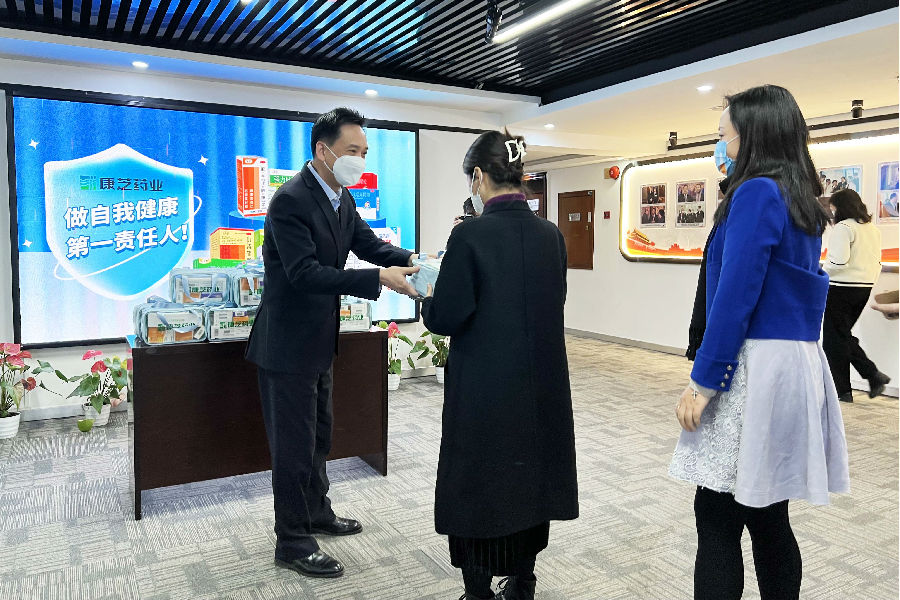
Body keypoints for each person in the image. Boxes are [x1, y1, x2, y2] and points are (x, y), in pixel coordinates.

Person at [669, 85, 849, 600]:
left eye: (723, 135)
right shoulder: (800, 198)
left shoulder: (756, 192)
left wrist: (703, 382)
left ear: (752, 136)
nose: (719, 145)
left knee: (716, 515)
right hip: (793, 362)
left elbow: (735, 296)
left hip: (751, 366)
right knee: (769, 512)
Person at [245, 107, 419, 579]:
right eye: (352, 151)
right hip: (286, 347)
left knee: (319, 436)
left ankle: (317, 512)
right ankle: (292, 541)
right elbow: (304, 274)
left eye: (364, 152)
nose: (360, 160)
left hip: (320, 342)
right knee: (293, 447)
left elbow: (370, 245)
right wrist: (377, 278)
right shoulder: (290, 200)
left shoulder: (342, 198)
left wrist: (416, 260)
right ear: (323, 150)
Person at [421, 130, 578, 600]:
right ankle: (523, 581)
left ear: (478, 177)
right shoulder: (551, 235)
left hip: (485, 386)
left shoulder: (469, 235)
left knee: (478, 482)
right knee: (530, 479)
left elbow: (447, 316)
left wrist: (425, 295)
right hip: (541, 382)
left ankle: (478, 590)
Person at [822, 188, 890, 402]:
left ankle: (845, 389)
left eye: (833, 208)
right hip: (863, 288)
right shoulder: (872, 229)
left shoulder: (844, 228)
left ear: (841, 207)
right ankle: (870, 377)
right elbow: (876, 262)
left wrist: (819, 272)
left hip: (841, 288)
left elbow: (838, 261)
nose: (832, 213)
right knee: (841, 336)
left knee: (833, 340)